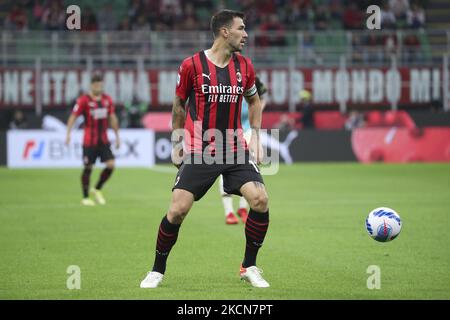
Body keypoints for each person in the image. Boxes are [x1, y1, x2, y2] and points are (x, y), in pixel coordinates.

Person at [140, 10, 270, 289]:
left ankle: (249, 266)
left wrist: (257, 137)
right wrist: (177, 143)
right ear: (225, 32)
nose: (246, 34)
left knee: (259, 200)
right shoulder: (191, 65)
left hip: (235, 149)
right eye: (241, 28)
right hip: (201, 148)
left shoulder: (245, 66)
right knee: (177, 211)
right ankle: (157, 270)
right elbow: (178, 106)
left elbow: (255, 102)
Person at [65, 73, 120, 206]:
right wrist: (68, 134)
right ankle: (85, 197)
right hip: (89, 141)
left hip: (104, 140)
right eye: (96, 85)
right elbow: (73, 117)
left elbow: (112, 118)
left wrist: (117, 136)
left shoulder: (107, 100)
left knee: (111, 165)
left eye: (100, 84)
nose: (98, 87)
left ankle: (96, 189)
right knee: (88, 167)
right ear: (91, 85)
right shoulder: (83, 100)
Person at [220, 76, 267, 224]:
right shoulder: (225, 86)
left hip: (247, 132)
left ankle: (242, 208)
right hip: (227, 133)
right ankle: (228, 211)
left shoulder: (251, 85)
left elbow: (261, 99)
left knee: (249, 170)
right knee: (224, 170)